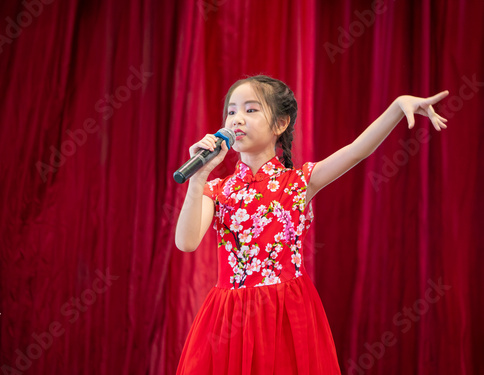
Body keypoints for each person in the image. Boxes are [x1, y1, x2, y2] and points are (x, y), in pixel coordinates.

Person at [174, 75, 448, 374]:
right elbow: (186, 243)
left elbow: (357, 150)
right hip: (228, 317)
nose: (237, 119)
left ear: (280, 124)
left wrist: (397, 107)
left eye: (251, 110)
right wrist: (199, 177)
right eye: (232, 111)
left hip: (286, 314)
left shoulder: (299, 182)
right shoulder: (217, 189)